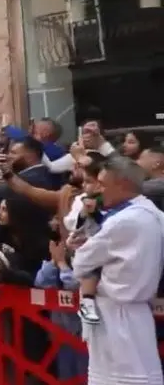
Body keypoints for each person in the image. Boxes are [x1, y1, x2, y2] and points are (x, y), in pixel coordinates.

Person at [72, 156, 164, 384]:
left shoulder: (123, 221)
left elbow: (82, 263)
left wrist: (81, 246)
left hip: (115, 313)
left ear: (122, 185)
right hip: (136, 312)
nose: (98, 191)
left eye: (103, 184)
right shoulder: (152, 212)